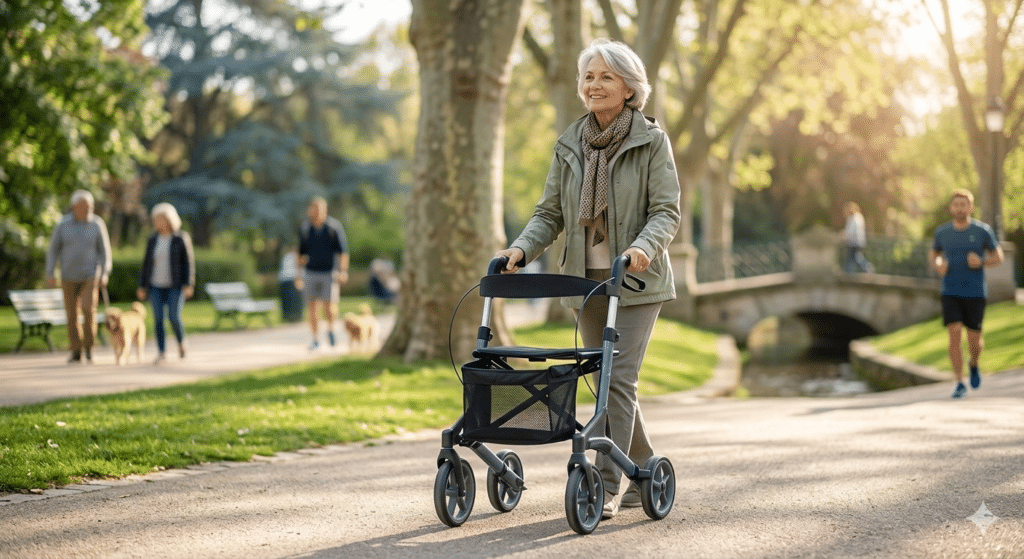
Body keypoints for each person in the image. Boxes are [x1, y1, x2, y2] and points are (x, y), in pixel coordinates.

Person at [494, 39, 681, 520]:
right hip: (584, 282)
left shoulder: (650, 140)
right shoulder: (569, 143)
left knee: (618, 377)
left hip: (635, 281)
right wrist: (519, 249)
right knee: (608, 383)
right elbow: (550, 213)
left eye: (606, 77)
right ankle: (645, 470)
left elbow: (666, 211)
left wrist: (642, 247)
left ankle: (608, 482)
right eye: (588, 77)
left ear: (629, 87)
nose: (594, 85)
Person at [929, 189, 1004, 399]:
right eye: (956, 204)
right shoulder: (942, 232)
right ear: (951, 208)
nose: (960, 208)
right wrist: (938, 265)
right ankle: (959, 382)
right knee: (954, 333)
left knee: (974, 339)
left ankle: (974, 363)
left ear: (971, 208)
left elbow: (998, 256)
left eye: (964, 204)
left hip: (975, 292)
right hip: (950, 291)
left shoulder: (982, 231)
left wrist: (982, 262)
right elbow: (934, 254)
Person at [45, 190, 113, 363]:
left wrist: (104, 273)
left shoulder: (97, 224)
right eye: (84, 206)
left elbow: (105, 252)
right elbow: (53, 250)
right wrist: (50, 272)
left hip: (90, 275)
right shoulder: (63, 224)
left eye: (90, 206)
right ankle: (76, 351)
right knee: (71, 315)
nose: (88, 209)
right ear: (75, 207)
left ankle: (89, 348)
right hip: (68, 276)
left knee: (88, 309)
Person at [137, 203, 196, 364]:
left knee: (174, 317)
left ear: (170, 220)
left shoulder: (181, 238)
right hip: (155, 285)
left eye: (161, 219)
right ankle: (161, 352)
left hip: (175, 286)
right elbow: (146, 265)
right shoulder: (152, 240)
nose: (158, 223)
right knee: (158, 319)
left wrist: (188, 284)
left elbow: (188, 263)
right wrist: (142, 286)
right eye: (155, 219)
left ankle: (181, 342)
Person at [295, 196, 349, 350]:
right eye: (314, 209)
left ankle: (331, 329)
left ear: (325, 211)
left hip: (329, 272)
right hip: (311, 272)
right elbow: (300, 255)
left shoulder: (333, 228)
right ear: (309, 211)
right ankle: (315, 339)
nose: (317, 212)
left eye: (320, 209)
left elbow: (343, 252)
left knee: (329, 306)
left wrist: (343, 271)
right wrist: (298, 275)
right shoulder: (305, 229)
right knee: (312, 307)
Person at [842, 201, 872, 273]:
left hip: (854, 242)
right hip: (859, 241)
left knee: (852, 258)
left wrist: (843, 236)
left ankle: (867, 269)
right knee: (855, 257)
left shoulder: (853, 218)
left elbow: (850, 232)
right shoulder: (859, 217)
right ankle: (868, 269)